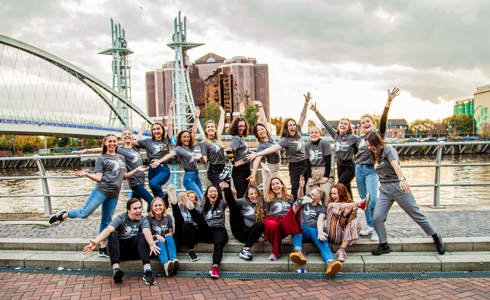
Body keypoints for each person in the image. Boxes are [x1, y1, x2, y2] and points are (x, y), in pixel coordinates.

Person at [49, 133, 135, 258]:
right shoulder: (101, 159)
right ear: (105, 143)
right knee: (84, 213)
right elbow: (99, 178)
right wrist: (86, 174)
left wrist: (137, 170)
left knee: (106, 220)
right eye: (109, 141)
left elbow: (124, 175)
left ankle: (103, 248)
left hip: (114, 193)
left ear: (117, 143)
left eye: (114, 141)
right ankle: (63, 215)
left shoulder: (121, 157)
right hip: (102, 190)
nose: (112, 144)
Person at [365, 132, 446, 255]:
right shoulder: (375, 153)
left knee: (416, 213)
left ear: (375, 142)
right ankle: (383, 244)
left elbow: (395, 164)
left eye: (369, 145)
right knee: (377, 217)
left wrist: (402, 179)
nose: (368, 148)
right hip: (385, 190)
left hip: (398, 187)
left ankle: (436, 237)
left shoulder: (388, 149)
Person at [248, 92, 311, 200]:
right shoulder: (265, 145)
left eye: (262, 129)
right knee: (270, 191)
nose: (261, 131)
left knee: (284, 189)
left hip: (284, 167)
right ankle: (269, 209)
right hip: (271, 169)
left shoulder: (271, 138)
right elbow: (260, 157)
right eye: (258, 131)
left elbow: (302, 117)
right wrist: (253, 174)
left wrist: (306, 103)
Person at [82, 198, 160, 285]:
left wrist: (151, 243)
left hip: (135, 252)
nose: (138, 210)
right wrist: (96, 241)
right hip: (120, 253)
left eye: (140, 208)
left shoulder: (143, 219)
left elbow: (147, 231)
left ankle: (147, 271)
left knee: (142, 236)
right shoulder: (121, 218)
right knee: (112, 234)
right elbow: (108, 229)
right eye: (135, 208)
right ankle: (116, 270)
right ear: (128, 210)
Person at [356, 88, 399, 241]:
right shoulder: (360, 138)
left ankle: (376, 227)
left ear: (372, 123)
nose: (365, 124)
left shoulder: (377, 135)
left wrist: (388, 103)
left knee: (372, 199)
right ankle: (369, 224)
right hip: (358, 168)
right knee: (364, 199)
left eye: (368, 121)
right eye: (363, 122)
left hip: (370, 170)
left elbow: (384, 121)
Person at [73, 129, 153, 212]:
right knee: (150, 200)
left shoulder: (135, 148)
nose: (127, 135)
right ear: (122, 138)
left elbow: (138, 138)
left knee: (134, 206)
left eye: (129, 134)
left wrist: (142, 129)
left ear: (132, 136)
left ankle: (131, 222)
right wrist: (86, 150)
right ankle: (149, 219)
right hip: (134, 181)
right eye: (125, 134)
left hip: (141, 180)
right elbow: (103, 148)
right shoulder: (120, 150)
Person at [290, 179, 343, 276]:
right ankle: (298, 252)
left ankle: (331, 263)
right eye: (310, 193)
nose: (310, 195)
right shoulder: (305, 203)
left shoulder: (322, 208)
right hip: (304, 230)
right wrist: (301, 187)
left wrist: (320, 232)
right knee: (296, 226)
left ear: (318, 199)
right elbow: (299, 198)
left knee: (323, 240)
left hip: (315, 229)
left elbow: (320, 220)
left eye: (313, 194)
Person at [310, 103, 358, 198]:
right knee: (346, 188)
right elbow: (326, 124)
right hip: (340, 166)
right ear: (339, 125)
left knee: (340, 185)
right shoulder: (336, 136)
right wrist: (316, 111)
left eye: (345, 124)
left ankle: (348, 207)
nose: (343, 125)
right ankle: (351, 209)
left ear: (348, 127)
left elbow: (362, 146)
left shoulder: (353, 138)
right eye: (341, 123)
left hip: (349, 166)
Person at [156, 109, 203, 200]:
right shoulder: (179, 149)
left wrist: (196, 118)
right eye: (184, 137)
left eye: (188, 137)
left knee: (198, 200)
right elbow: (170, 154)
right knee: (200, 198)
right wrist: (159, 161)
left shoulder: (191, 147)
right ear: (180, 139)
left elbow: (193, 132)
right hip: (189, 178)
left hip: (196, 175)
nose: (187, 139)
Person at [133, 106, 174, 206]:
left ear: (162, 130)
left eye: (158, 129)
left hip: (163, 168)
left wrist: (170, 109)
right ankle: (158, 207)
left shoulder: (166, 140)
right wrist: (142, 129)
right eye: (154, 129)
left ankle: (164, 200)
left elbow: (169, 125)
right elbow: (133, 142)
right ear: (152, 131)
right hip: (152, 169)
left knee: (153, 184)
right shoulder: (147, 141)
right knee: (154, 192)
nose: (156, 131)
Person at [186, 184, 229, 279]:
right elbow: (199, 220)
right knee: (200, 220)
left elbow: (231, 195)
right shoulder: (203, 204)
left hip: (219, 229)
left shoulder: (222, 202)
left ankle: (215, 267)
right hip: (207, 231)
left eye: (215, 191)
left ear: (218, 194)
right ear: (207, 194)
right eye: (211, 191)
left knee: (218, 244)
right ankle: (191, 208)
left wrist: (225, 189)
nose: (213, 193)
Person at [262, 165, 302, 260]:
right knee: (273, 225)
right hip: (272, 220)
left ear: (282, 185)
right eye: (273, 184)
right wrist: (268, 174)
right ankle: (275, 252)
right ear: (271, 187)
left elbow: (296, 207)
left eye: (277, 183)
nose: (275, 186)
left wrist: (301, 187)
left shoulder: (290, 197)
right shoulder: (269, 197)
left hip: (285, 222)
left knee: (297, 206)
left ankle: (298, 251)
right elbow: (266, 187)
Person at [220, 178, 265, 261]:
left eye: (255, 193)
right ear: (248, 195)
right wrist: (225, 189)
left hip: (253, 234)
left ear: (258, 194)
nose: (254, 196)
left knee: (260, 224)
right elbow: (229, 201)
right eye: (251, 194)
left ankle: (245, 250)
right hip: (240, 232)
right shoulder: (244, 201)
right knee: (234, 208)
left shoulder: (262, 203)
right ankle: (228, 182)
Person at [324, 183, 361, 262]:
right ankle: (361, 203)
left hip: (343, 235)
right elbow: (340, 207)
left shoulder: (348, 205)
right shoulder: (331, 205)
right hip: (332, 234)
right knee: (336, 207)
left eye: (334, 193)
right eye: (331, 193)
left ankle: (341, 250)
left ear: (341, 193)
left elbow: (344, 224)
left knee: (355, 222)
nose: (332, 196)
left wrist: (352, 212)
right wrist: (356, 204)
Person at [168, 185, 203, 262]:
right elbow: (177, 219)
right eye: (188, 197)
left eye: (192, 197)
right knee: (179, 220)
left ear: (195, 201)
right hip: (180, 233)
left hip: (193, 234)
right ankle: (174, 201)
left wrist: (190, 206)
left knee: (186, 225)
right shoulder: (181, 207)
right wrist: (180, 203)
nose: (190, 198)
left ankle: (191, 250)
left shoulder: (198, 208)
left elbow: (199, 222)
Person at [148, 196, 179, 277]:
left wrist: (170, 234)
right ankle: (166, 266)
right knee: (160, 241)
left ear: (164, 207)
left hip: (166, 240)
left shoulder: (168, 217)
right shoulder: (148, 218)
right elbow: (147, 234)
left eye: (160, 205)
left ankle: (174, 261)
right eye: (156, 205)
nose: (158, 207)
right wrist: (157, 236)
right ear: (152, 208)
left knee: (169, 237)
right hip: (156, 243)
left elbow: (170, 231)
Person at [304, 126, 334, 202]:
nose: (314, 134)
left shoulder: (324, 143)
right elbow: (307, 163)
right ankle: (312, 213)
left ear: (320, 134)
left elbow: (328, 161)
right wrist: (309, 177)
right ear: (309, 135)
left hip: (323, 170)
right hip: (313, 172)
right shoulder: (307, 146)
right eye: (311, 133)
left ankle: (327, 213)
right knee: (309, 197)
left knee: (326, 196)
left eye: (316, 132)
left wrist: (326, 176)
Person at [200, 105, 226, 191]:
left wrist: (222, 113)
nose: (210, 128)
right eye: (208, 127)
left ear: (215, 129)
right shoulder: (204, 143)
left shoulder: (218, 139)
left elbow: (221, 125)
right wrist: (201, 158)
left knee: (225, 190)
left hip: (224, 168)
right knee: (219, 190)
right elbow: (204, 159)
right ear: (205, 130)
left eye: (212, 126)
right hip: (213, 170)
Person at [227, 117, 252, 198]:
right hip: (239, 171)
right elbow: (229, 151)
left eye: (244, 126)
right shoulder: (236, 138)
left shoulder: (241, 138)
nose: (242, 128)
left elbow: (242, 152)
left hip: (246, 169)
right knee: (241, 195)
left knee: (246, 194)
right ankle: (240, 210)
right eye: (240, 126)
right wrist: (234, 162)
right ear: (236, 127)